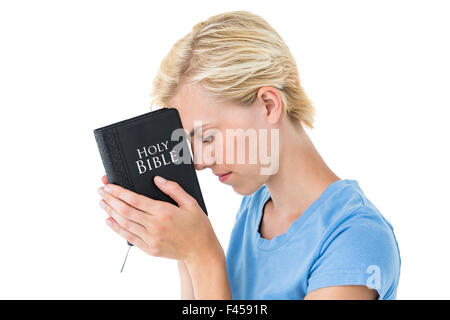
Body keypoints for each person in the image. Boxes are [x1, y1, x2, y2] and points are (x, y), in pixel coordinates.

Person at [97, 10, 401, 300]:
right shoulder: (254, 208)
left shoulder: (356, 237)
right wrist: (185, 250)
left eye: (208, 136)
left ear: (268, 104)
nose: (199, 162)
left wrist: (203, 255)